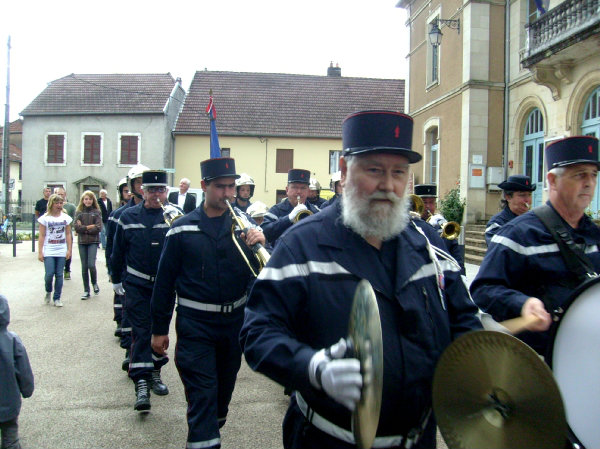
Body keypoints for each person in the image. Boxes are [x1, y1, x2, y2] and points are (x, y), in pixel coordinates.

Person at [240, 110, 482, 449]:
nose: (388, 184)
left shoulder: (427, 244)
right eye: (374, 170)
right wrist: (312, 367)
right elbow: (257, 333)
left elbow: (464, 321)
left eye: (399, 172)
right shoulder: (302, 245)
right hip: (328, 440)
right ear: (343, 171)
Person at [151, 157, 266, 449]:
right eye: (220, 187)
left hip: (233, 327)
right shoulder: (181, 229)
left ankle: (208, 431)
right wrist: (159, 329)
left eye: (231, 187)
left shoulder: (244, 228)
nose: (227, 194)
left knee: (220, 404)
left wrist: (261, 244)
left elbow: (264, 275)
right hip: (195, 326)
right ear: (204, 186)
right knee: (202, 399)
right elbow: (164, 283)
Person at [470, 135, 600, 356]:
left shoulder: (594, 235)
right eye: (579, 175)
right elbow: (484, 290)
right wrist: (522, 303)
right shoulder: (518, 234)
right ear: (552, 181)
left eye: (594, 175)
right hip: (538, 362)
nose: (589, 183)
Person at [111, 169, 171, 412]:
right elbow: (118, 252)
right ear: (142, 191)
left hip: (164, 287)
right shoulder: (128, 217)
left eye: (160, 189)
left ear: (166, 192)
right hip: (137, 285)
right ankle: (142, 383)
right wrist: (116, 280)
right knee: (141, 332)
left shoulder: (173, 217)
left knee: (160, 332)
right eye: (151, 190)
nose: (156, 194)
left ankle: (155, 371)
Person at [106, 167, 147, 369]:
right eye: (137, 182)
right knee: (128, 318)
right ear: (131, 186)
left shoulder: (163, 213)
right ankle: (129, 352)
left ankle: (146, 362)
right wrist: (114, 277)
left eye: (144, 182)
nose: (141, 186)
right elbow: (112, 250)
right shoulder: (118, 215)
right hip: (126, 276)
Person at [0, 294, 34, 449]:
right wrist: (27, 389)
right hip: (8, 403)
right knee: (10, 439)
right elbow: (23, 369)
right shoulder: (12, 340)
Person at [414, 184, 466, 275]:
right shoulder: (411, 227)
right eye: (424, 202)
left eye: (432, 202)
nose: (428, 207)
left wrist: (462, 277)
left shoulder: (442, 227)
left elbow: (457, 258)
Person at [261, 169, 320, 245]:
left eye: (303, 188)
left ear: (308, 191)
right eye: (295, 187)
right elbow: (264, 232)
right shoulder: (275, 210)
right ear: (287, 190)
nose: (299, 191)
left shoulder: (316, 212)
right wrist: (288, 218)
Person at [38, 194, 73, 308]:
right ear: (51, 204)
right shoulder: (45, 218)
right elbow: (42, 235)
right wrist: (40, 251)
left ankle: (57, 297)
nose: (59, 205)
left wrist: (69, 250)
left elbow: (68, 234)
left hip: (61, 249)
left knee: (59, 274)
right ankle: (48, 291)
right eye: (56, 203)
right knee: (49, 274)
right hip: (49, 249)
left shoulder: (65, 218)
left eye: (60, 203)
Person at [485, 175, 535, 245]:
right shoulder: (497, 223)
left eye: (529, 195)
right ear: (508, 197)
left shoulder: (535, 220)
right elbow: (498, 249)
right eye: (522, 195)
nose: (527, 200)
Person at [73, 191, 102, 299]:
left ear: (93, 200)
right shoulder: (79, 212)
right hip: (82, 242)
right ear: (82, 200)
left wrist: (84, 228)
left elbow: (98, 227)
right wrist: (89, 227)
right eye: (86, 199)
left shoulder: (97, 212)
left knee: (91, 264)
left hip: (93, 241)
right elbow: (76, 227)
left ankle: (94, 283)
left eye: (90, 199)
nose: (88, 201)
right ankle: (86, 290)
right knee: (84, 267)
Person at [54, 187, 76, 281]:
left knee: (68, 251)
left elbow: (75, 219)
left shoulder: (71, 207)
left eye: (61, 194)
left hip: (67, 232)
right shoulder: (52, 206)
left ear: (65, 195)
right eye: (57, 194)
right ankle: (57, 270)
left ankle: (67, 269)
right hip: (55, 234)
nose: (59, 196)